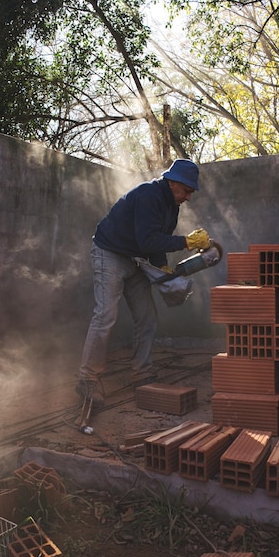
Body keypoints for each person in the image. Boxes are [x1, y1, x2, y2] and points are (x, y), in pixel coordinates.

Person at [76, 158, 211, 402]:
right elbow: (148, 240)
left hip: (135, 257)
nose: (189, 197)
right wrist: (187, 242)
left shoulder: (172, 205)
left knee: (147, 316)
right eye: (187, 191)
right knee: (106, 315)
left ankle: (141, 372)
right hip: (110, 253)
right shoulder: (148, 195)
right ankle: (87, 379)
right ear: (173, 183)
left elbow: (157, 239)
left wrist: (161, 266)